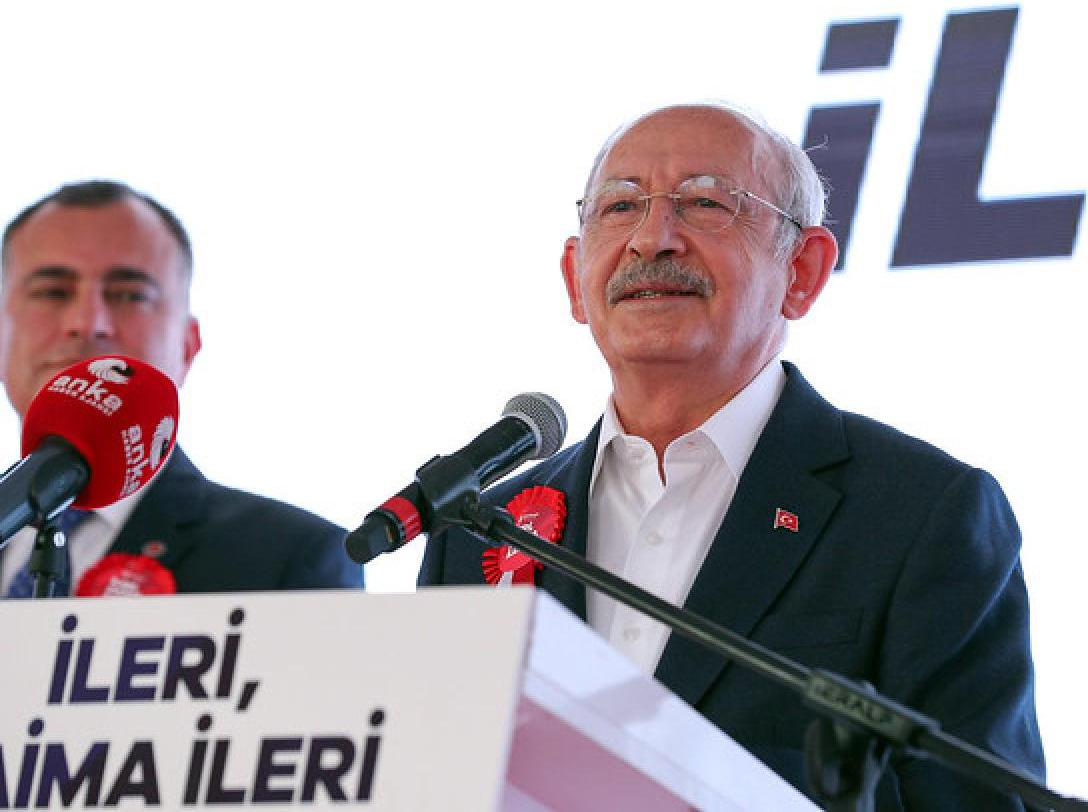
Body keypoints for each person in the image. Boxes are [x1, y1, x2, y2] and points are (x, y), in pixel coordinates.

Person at [419, 104, 1044, 807]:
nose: (652, 239)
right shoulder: (475, 532)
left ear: (802, 271)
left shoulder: (922, 515)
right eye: (620, 207)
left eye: (706, 203)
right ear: (574, 277)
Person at [0, 180, 363, 720]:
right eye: (53, 292)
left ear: (188, 346)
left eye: (129, 295)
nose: (86, 323)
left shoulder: (289, 560)